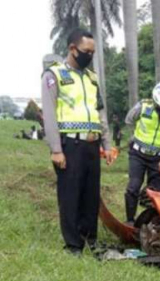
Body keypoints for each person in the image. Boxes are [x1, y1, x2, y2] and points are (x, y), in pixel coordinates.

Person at [42, 29, 116, 255]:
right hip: (70, 146)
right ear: (72, 49)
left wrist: (107, 144)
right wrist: (56, 149)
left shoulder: (92, 79)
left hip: (92, 146)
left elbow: (100, 113)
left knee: (90, 195)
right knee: (70, 195)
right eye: (86, 51)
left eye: (93, 52)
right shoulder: (54, 76)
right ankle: (73, 244)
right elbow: (49, 115)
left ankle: (90, 238)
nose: (90, 56)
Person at [124, 80, 160, 224]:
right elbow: (129, 120)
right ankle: (130, 220)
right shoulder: (143, 106)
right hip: (138, 155)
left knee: (157, 192)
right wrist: (134, 137)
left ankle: (152, 220)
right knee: (133, 187)